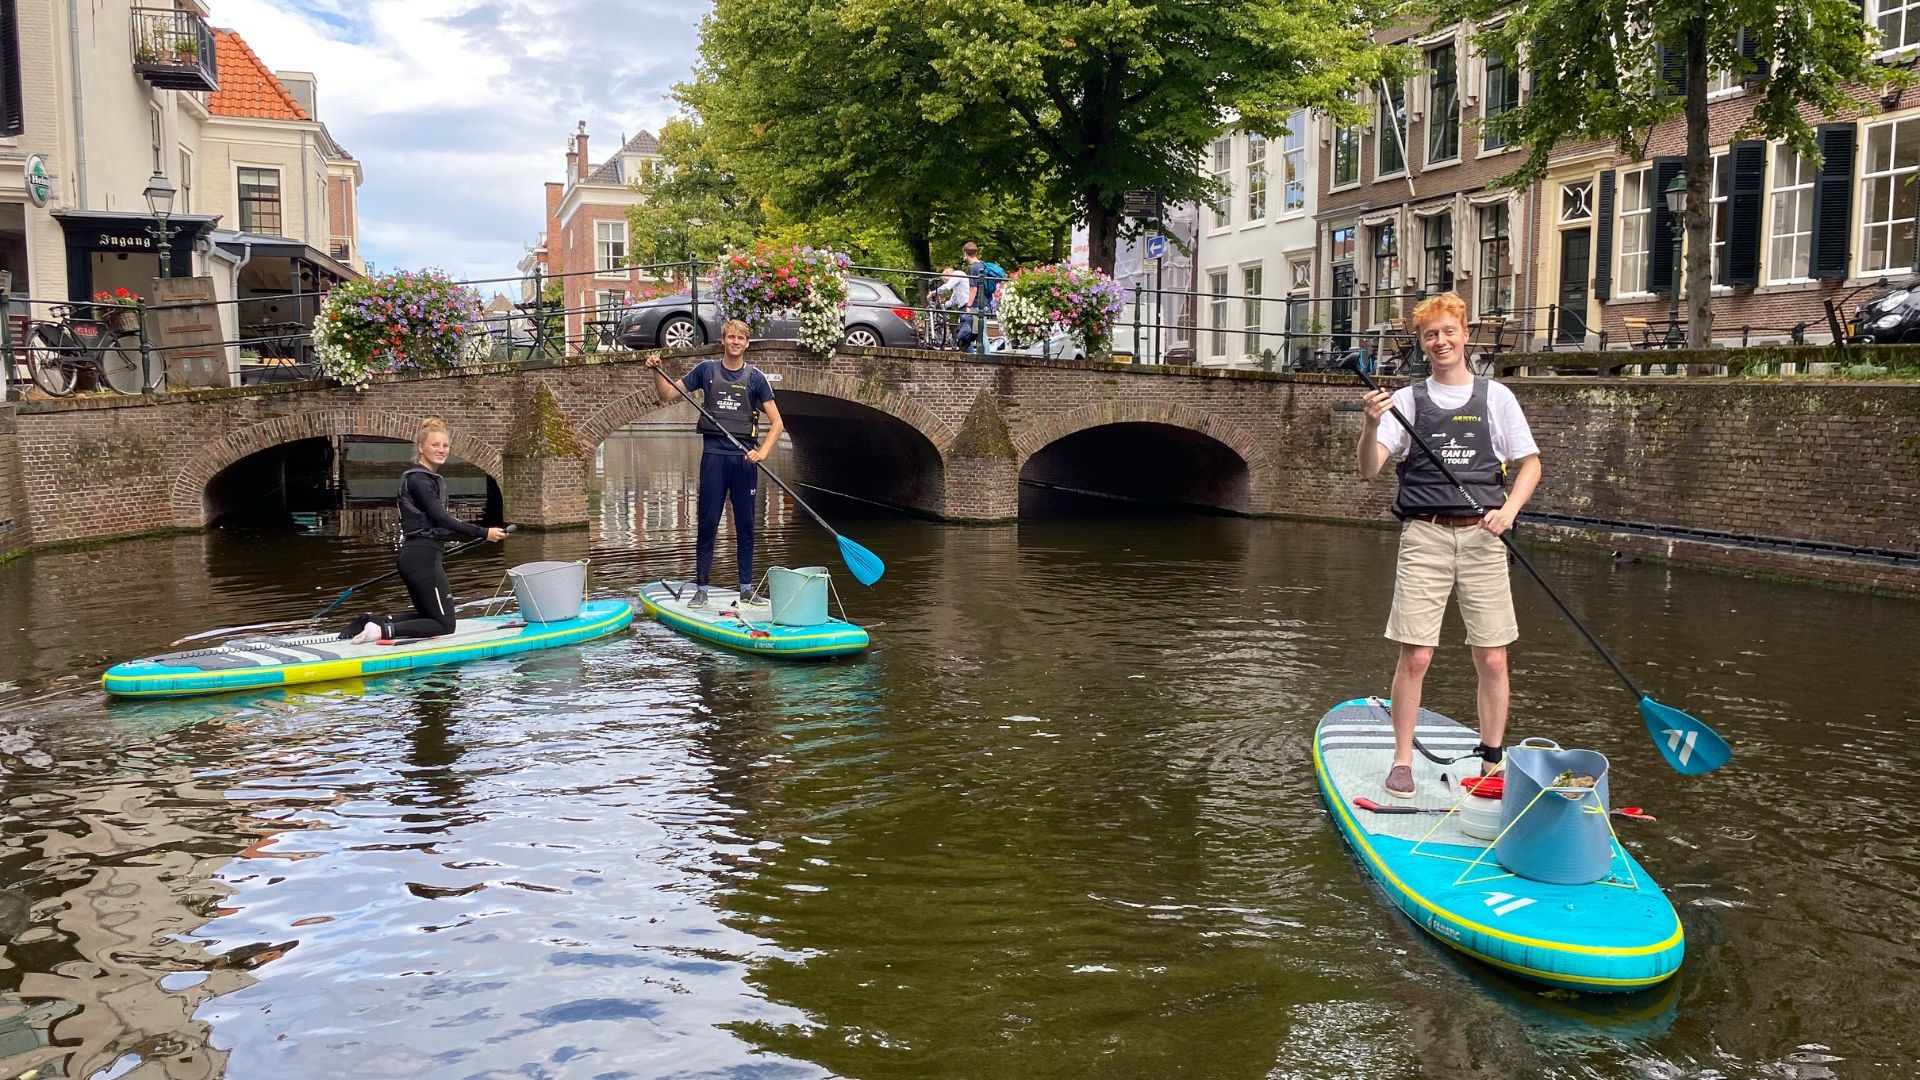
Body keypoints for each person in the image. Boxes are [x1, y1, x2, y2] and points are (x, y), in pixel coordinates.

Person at [1356, 292, 1541, 798]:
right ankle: (1401, 761)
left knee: (1493, 658)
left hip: (1484, 536)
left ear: (1464, 335)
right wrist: (1371, 423)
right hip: (1426, 535)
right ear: (1422, 343)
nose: (1440, 341)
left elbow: (1530, 464)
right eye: (1430, 335)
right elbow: (1369, 469)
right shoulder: (1407, 402)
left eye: (1448, 331)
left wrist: (1509, 511)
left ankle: (1491, 758)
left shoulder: (1496, 397)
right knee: (1416, 656)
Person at [645, 318, 786, 608]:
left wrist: (762, 452)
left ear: (747, 343)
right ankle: (701, 589)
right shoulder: (706, 370)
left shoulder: (756, 378)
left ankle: (746, 588)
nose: (735, 342)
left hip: (744, 461)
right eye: (731, 337)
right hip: (714, 459)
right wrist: (657, 371)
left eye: (740, 338)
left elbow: (777, 423)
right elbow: (667, 394)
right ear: (723, 340)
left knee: (746, 526)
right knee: (708, 523)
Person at [340, 417, 507, 644]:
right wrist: (483, 532)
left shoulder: (424, 478)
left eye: (445, 445)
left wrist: (479, 535)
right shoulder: (420, 480)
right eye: (435, 445)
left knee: (428, 616)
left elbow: (436, 527)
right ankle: (381, 631)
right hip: (422, 559)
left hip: (418, 555)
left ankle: (371, 621)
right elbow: (442, 518)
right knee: (444, 625)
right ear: (420, 447)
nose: (441, 450)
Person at [933, 268, 971, 348]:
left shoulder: (957, 274)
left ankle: (956, 340)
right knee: (964, 332)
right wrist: (942, 306)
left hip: (967, 306)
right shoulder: (956, 285)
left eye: (944, 279)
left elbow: (947, 287)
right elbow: (953, 301)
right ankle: (966, 348)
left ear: (947, 273)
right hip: (962, 308)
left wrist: (933, 293)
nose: (945, 281)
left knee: (965, 329)